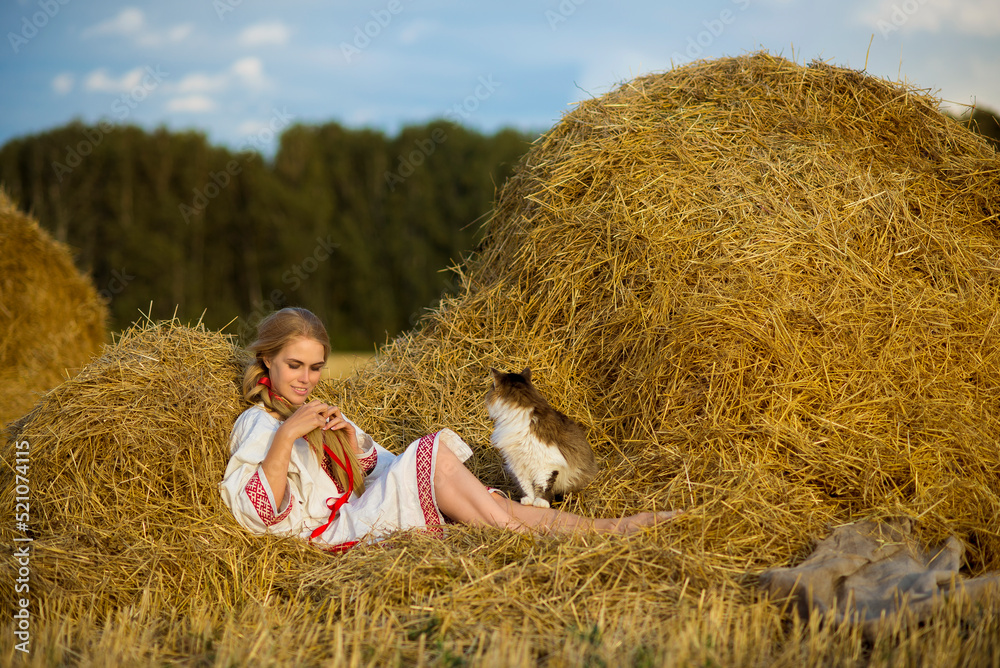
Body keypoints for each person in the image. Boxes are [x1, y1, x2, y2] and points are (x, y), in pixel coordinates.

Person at [220, 307, 679, 552]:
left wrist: (346, 438)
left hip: (364, 501)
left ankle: (615, 529)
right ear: (266, 360)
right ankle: (527, 545)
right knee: (438, 461)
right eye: (294, 365)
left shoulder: (316, 411)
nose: (306, 378)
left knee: (490, 502)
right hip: (337, 529)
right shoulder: (258, 424)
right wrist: (286, 437)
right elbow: (261, 513)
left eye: (316, 367)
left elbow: (370, 469)